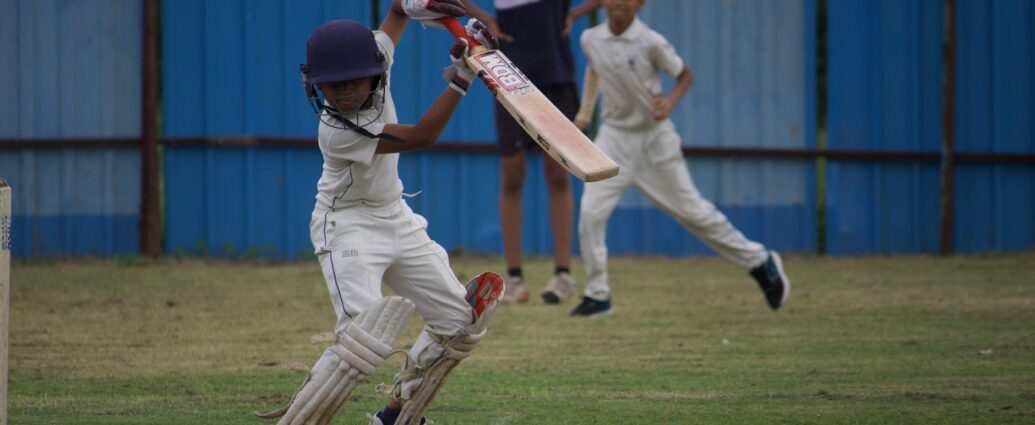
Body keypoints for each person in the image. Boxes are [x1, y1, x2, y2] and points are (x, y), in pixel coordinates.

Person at [258, 2, 505, 425]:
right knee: (363, 341)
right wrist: (464, 76)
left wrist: (416, 4)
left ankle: (394, 417)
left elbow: (396, 11)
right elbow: (422, 136)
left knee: (460, 325)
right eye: (332, 87)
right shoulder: (335, 130)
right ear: (317, 86)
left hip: (395, 215)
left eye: (353, 83)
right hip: (347, 225)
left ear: (374, 70)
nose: (345, 94)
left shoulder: (377, 53)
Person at [570, 0, 790, 317]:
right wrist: (583, 115)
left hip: (655, 142)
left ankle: (760, 261)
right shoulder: (590, 38)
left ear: (640, 4)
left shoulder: (651, 41)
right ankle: (597, 295)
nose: (619, 2)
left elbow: (685, 74)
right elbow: (594, 71)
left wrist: (670, 102)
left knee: (694, 213)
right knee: (590, 213)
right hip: (613, 140)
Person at [462, 0, 601, 305]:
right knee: (512, 177)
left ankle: (563, 275)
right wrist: (484, 17)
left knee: (558, 173)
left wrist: (575, 13)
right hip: (509, 75)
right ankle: (514, 280)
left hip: (557, 72)